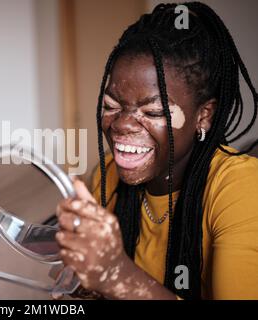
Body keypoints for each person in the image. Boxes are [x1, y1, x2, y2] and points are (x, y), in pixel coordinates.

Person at [55, 1, 258, 300]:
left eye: (152, 112)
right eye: (111, 106)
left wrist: (116, 273)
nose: (122, 125)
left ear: (203, 115)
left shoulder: (240, 188)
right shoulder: (105, 178)